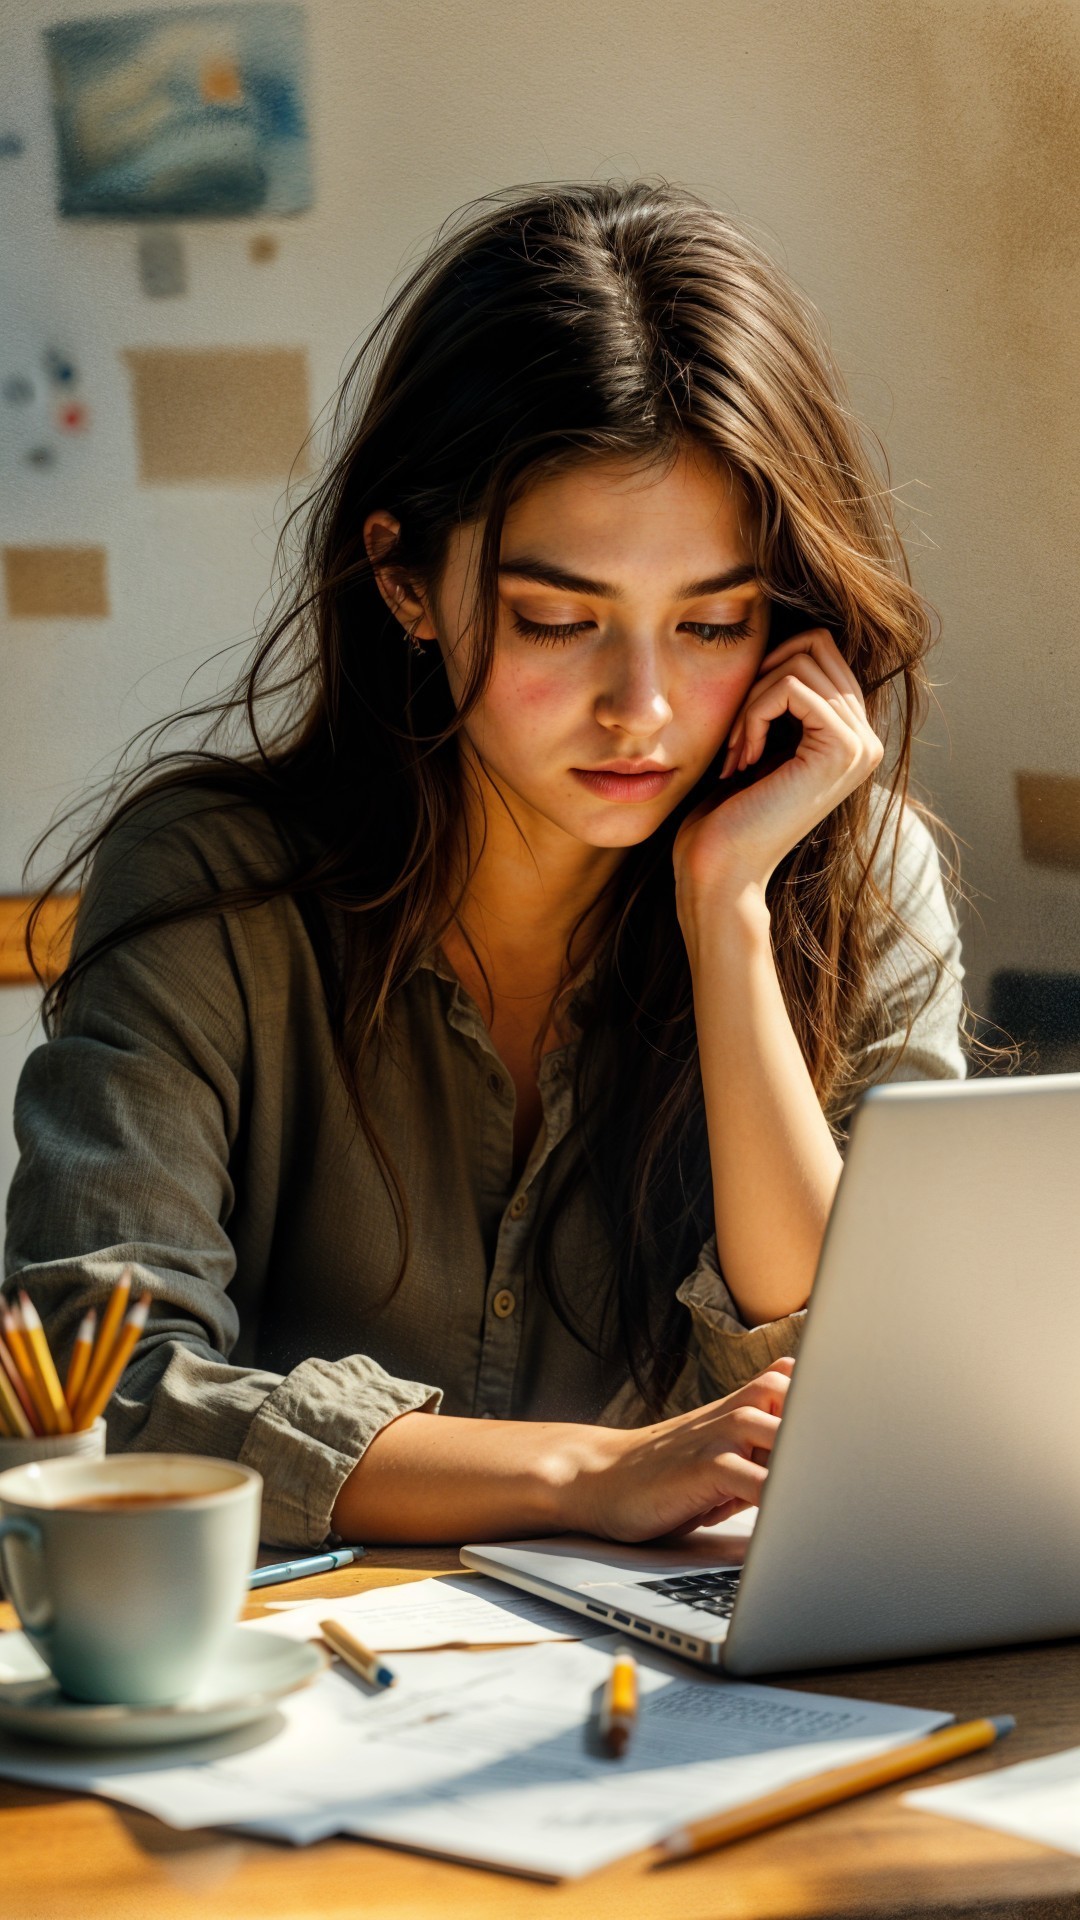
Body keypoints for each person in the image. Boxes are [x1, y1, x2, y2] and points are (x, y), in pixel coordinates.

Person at [6, 180, 969, 1551]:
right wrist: (587, 1475)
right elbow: (93, 1397)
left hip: (703, 1700)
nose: (640, 707)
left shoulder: (849, 878)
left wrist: (728, 916)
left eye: (710, 626)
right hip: (315, 1700)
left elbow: (873, 1404)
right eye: (560, 619)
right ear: (404, 580)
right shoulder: (213, 889)